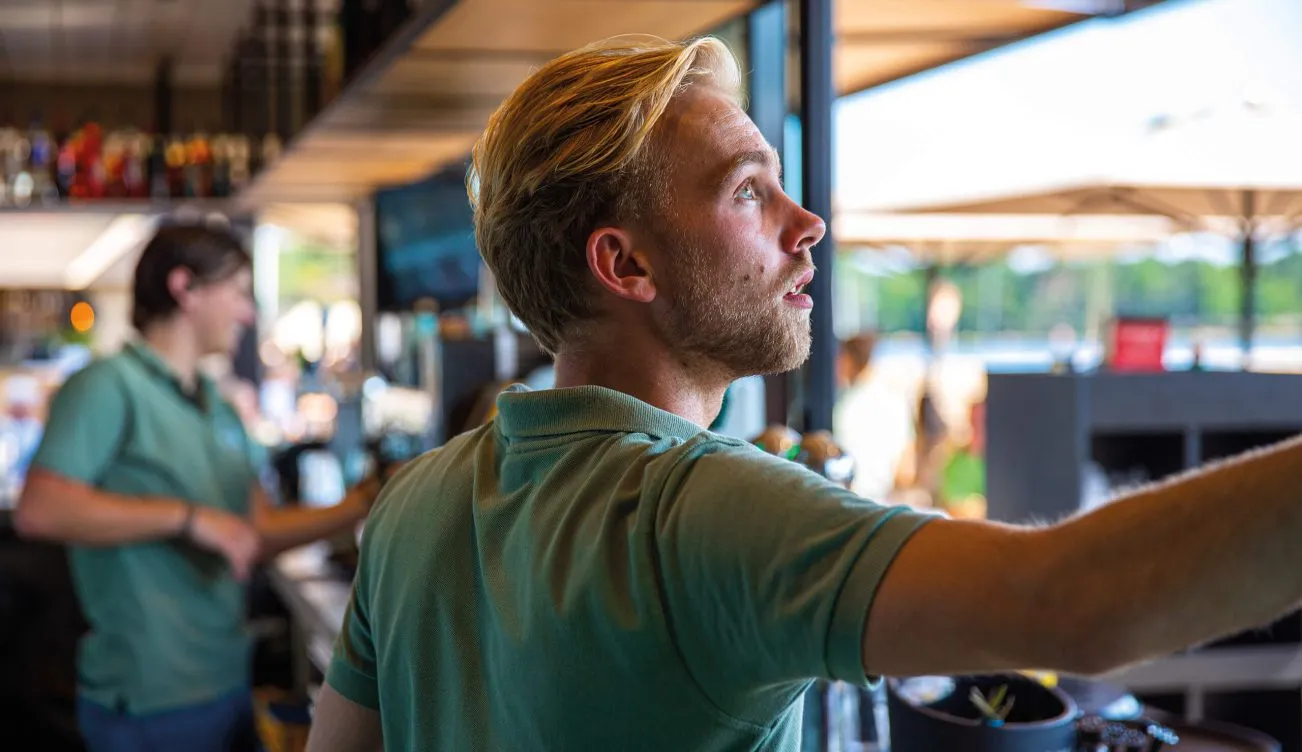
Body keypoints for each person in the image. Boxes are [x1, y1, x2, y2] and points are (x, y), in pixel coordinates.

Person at [309, 35, 1302, 751]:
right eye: (749, 189)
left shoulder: (414, 504)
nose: (809, 221)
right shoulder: (702, 509)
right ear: (626, 264)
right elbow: (1078, 600)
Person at [14, 224, 381, 752]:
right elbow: (39, 508)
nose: (247, 312)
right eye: (236, 290)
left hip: (226, 680)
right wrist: (188, 517)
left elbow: (255, 530)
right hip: (148, 699)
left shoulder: (215, 400)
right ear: (185, 288)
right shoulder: (107, 385)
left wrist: (365, 502)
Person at [832, 332, 914, 501]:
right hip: (883, 498)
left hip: (854, 495)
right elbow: (906, 466)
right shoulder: (893, 396)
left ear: (849, 359)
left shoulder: (851, 404)